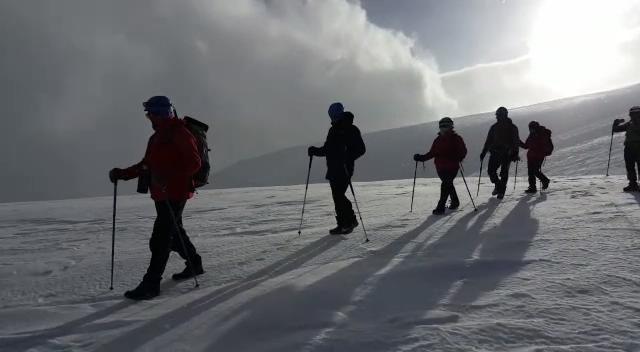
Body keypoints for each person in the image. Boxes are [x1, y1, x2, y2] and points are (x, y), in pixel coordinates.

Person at [109, 96, 204, 300]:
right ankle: (195, 263)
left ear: (159, 114)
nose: (148, 118)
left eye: (150, 114)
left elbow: (194, 163)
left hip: (176, 193)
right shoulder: (157, 137)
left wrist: (167, 176)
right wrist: (122, 174)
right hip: (162, 194)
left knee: (160, 239)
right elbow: (147, 165)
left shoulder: (179, 132)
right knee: (175, 232)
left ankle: (151, 284)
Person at [308, 103, 366, 235]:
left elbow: (361, 149)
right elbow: (327, 150)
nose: (332, 118)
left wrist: (348, 157)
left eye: (333, 115)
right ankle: (342, 223)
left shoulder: (351, 129)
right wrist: (314, 151)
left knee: (339, 195)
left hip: (345, 168)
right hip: (333, 168)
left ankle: (350, 221)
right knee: (336, 197)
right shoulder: (333, 130)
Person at [413, 117, 467, 215]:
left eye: (445, 126)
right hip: (440, 168)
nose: (443, 128)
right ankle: (455, 202)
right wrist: (421, 158)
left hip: (452, 167)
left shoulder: (456, 138)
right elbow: (432, 153)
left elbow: (463, 152)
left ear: (451, 126)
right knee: (448, 184)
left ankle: (440, 207)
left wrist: (456, 157)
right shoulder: (438, 140)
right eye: (441, 126)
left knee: (445, 184)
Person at [480, 107, 520, 199]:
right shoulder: (494, 127)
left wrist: (515, 153)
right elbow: (489, 141)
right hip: (495, 152)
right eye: (497, 115)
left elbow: (515, 141)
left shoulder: (512, 127)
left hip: (507, 153)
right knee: (491, 171)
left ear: (504, 115)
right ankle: (498, 186)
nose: (497, 117)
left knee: (503, 173)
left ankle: (501, 191)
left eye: (498, 115)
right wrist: (483, 152)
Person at [519, 121, 552, 193]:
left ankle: (545, 180)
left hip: (538, 156)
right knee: (531, 172)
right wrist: (518, 142)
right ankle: (532, 187)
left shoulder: (542, 134)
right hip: (531, 156)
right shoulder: (531, 135)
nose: (530, 130)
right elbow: (526, 146)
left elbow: (542, 146)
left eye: (531, 128)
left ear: (535, 127)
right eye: (530, 128)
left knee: (535, 171)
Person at [613, 106, 640, 192]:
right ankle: (633, 184)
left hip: (630, 148)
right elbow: (616, 129)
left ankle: (633, 184)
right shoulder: (630, 123)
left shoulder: (630, 124)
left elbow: (616, 129)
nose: (633, 116)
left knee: (630, 166)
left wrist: (615, 124)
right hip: (630, 148)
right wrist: (616, 124)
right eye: (633, 114)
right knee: (631, 166)